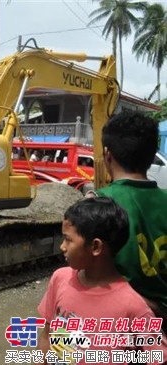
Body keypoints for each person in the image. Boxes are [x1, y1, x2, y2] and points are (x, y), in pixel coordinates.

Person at [36, 197, 167, 364]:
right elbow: (47, 336)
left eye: (68, 240)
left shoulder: (132, 306)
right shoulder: (60, 279)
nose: (62, 246)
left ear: (96, 247)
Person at [87, 110, 167, 330]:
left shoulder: (96, 204)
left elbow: (85, 274)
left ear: (107, 154)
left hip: (124, 327)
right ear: (152, 157)